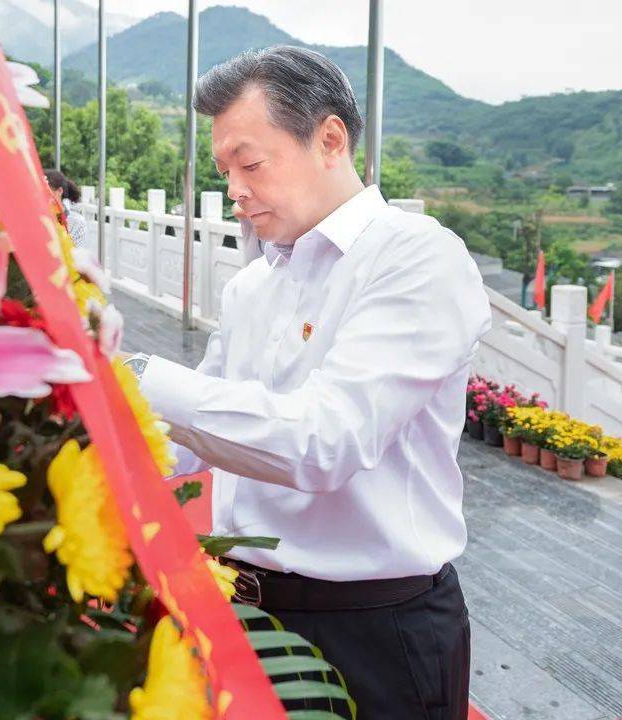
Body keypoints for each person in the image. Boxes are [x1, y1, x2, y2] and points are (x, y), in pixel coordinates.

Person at [125, 46, 490, 719]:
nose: (233, 188)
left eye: (250, 163)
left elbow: (324, 442)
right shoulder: (253, 286)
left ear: (329, 139)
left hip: (374, 630)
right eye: (224, 170)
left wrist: (136, 376)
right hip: (249, 613)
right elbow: (191, 434)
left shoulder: (416, 258)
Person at [44, 168, 86, 248]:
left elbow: (74, 254)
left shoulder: (76, 221)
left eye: (45, 192)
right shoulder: (36, 218)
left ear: (59, 191)